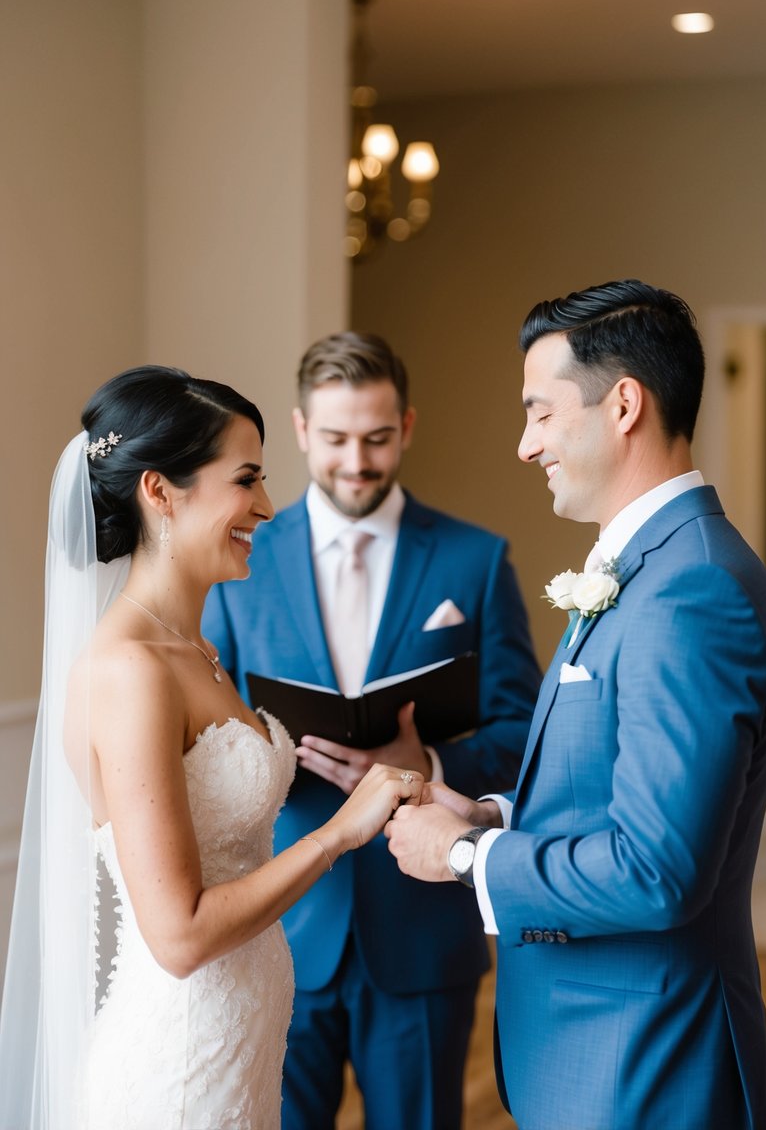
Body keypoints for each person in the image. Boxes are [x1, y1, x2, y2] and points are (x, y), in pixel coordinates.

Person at [387, 279, 766, 1130]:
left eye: (540, 413)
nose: (525, 445)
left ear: (622, 405)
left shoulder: (692, 589)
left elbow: (657, 873)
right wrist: (494, 812)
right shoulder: (648, 567)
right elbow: (609, 786)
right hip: (595, 1050)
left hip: (645, 1060)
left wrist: (466, 856)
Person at [0, 365, 424, 1130]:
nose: (265, 506)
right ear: (161, 492)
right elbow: (181, 934)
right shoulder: (130, 668)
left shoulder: (194, 651)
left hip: (239, 1050)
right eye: (246, 480)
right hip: (179, 1071)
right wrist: (338, 834)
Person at [202, 331, 541, 1130]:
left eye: (377, 438)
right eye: (336, 439)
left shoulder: (475, 560)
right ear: (298, 431)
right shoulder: (239, 557)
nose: (357, 460)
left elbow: (526, 731)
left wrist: (423, 759)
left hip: (422, 930)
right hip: (280, 926)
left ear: (407, 426)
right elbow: (205, 724)